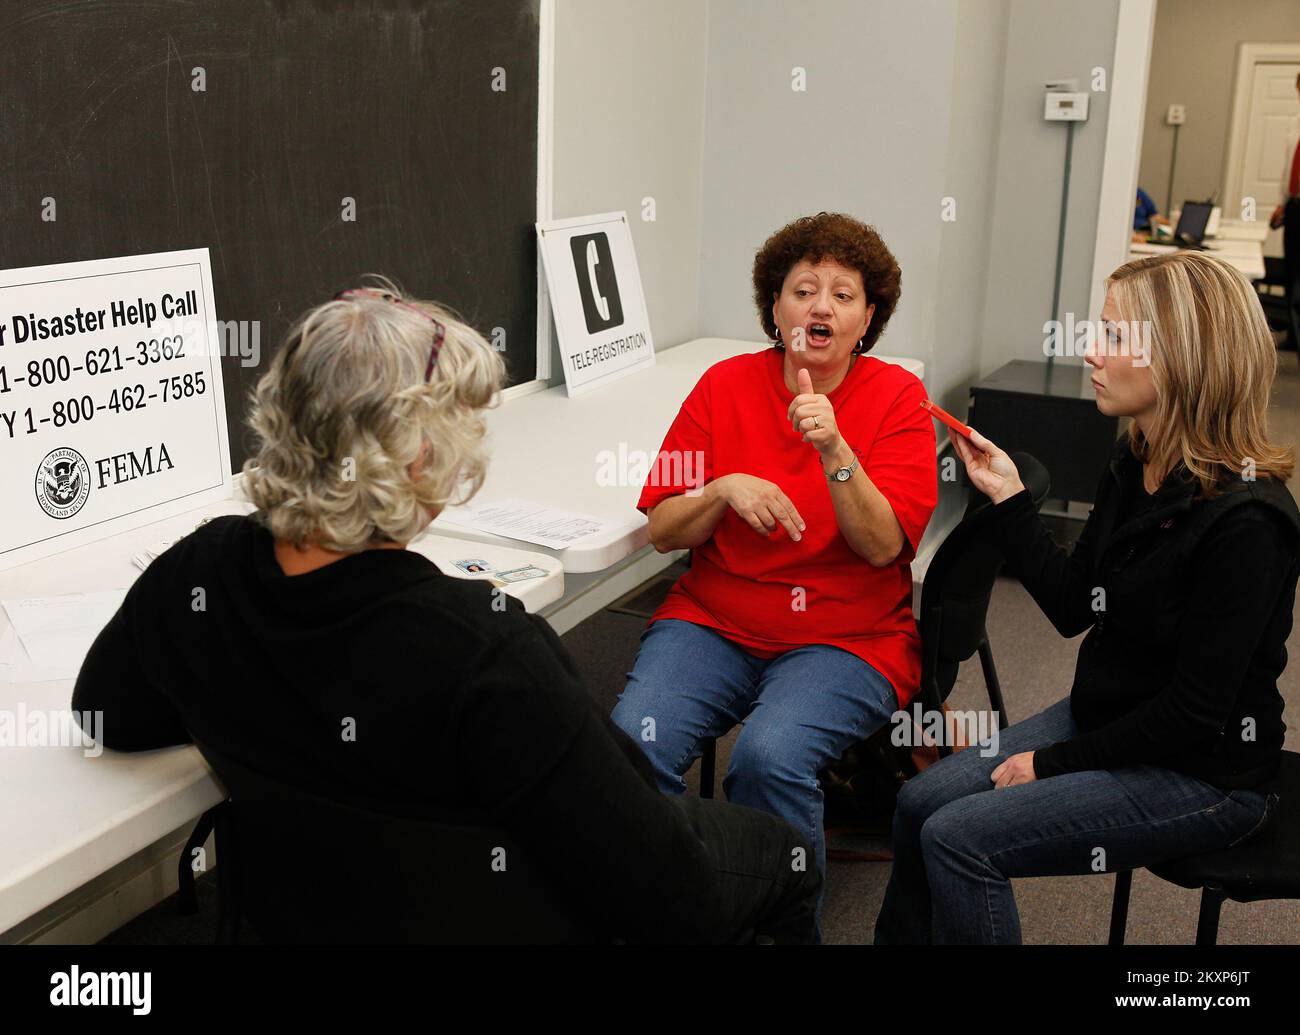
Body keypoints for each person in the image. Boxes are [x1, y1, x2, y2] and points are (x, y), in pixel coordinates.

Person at [71, 279, 820, 944]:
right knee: (787, 855)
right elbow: (670, 898)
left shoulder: (199, 573)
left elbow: (108, 713)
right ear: (421, 459)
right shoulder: (483, 646)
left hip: (310, 907)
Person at [874, 250, 1299, 945]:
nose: (1090, 352)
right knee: (921, 801)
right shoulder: (1138, 461)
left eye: (1111, 335)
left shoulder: (1249, 523)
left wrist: (1049, 764)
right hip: (1111, 716)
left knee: (959, 839)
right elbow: (1076, 605)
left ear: (1181, 359)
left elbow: (1193, 713)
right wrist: (1009, 497)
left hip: (1202, 773)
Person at [612, 212, 937, 915]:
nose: (821, 306)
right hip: (714, 621)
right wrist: (720, 490)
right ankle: (675, 915)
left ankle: (782, 930)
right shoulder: (722, 385)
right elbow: (665, 527)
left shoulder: (897, 398)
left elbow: (883, 547)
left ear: (867, 317)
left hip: (846, 638)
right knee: (628, 750)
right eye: (803, 289)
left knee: (768, 757)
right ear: (775, 308)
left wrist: (835, 451)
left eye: (843, 294)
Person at [1269, 70, 1300, 351]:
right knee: (1292, 268)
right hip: (1294, 204)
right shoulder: (1295, 123)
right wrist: (1281, 200)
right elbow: (1288, 165)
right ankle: (1293, 332)